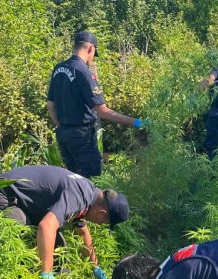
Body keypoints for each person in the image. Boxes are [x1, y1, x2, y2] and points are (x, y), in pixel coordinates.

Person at [0, 165, 130, 279]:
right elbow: (46, 226)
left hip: (26, 203)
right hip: (2, 194)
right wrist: (47, 274)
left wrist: (95, 267)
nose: (99, 224)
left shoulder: (89, 193)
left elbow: (82, 231)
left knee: (58, 249)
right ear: (101, 213)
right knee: (24, 244)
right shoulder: (79, 196)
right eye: (103, 222)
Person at [47, 31, 145, 178]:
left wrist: (61, 127)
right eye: (93, 54)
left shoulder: (58, 69)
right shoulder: (84, 73)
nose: (92, 59)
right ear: (90, 48)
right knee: (91, 184)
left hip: (64, 136)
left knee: (73, 183)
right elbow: (102, 112)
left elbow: (50, 105)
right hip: (82, 138)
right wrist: (135, 122)